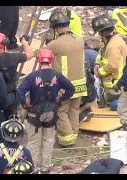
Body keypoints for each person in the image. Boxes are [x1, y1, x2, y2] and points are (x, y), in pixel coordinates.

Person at [17, 49, 75, 173]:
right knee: (48, 140)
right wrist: (60, 99)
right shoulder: (57, 76)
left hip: (34, 113)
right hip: (51, 112)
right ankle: (46, 167)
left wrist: (25, 104)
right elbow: (71, 88)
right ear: (51, 61)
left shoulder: (32, 76)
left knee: (33, 141)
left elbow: (20, 92)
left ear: (39, 61)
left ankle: (33, 167)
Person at [45, 11, 86, 147]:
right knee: (74, 110)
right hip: (80, 83)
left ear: (55, 28)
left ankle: (67, 139)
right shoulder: (79, 39)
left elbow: (38, 54)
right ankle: (74, 134)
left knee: (61, 111)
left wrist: (25, 44)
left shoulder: (55, 44)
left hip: (65, 85)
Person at [0, 33, 33, 120]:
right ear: (5, 45)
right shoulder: (14, 57)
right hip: (11, 95)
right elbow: (30, 54)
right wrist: (24, 42)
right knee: (12, 122)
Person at [92, 14, 127, 107]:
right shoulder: (111, 40)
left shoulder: (113, 46)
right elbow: (102, 53)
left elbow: (113, 66)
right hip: (115, 84)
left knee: (114, 106)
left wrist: (99, 72)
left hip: (116, 86)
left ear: (103, 32)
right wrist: (97, 63)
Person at [79, 43, 98, 122]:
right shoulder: (92, 52)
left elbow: (86, 71)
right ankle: (88, 111)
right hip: (95, 75)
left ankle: (80, 116)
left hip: (87, 80)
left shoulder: (84, 55)